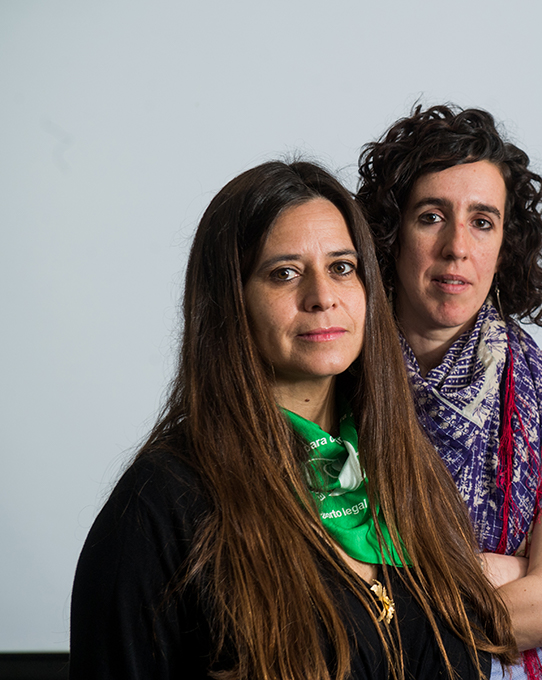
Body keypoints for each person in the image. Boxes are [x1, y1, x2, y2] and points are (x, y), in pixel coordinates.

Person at [70, 160, 518, 680]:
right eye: (284, 273)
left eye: (342, 268)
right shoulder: (160, 505)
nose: (323, 297)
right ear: (230, 304)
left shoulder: (407, 468)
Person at [356, 106, 542, 680]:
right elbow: (301, 590)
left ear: (505, 244)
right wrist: (507, 574)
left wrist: (378, 603)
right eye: (432, 216)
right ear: (390, 233)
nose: (457, 246)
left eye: (483, 221)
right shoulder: (337, 389)